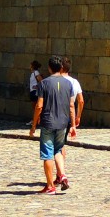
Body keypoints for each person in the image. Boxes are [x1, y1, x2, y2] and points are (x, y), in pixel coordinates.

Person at [29, 55, 76, 194]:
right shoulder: (68, 83)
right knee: (58, 149)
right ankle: (62, 175)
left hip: (48, 122)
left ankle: (50, 186)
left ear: (49, 68)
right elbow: (71, 106)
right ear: (61, 67)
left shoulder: (44, 83)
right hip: (63, 123)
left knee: (47, 154)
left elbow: (39, 106)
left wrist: (33, 125)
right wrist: (72, 124)